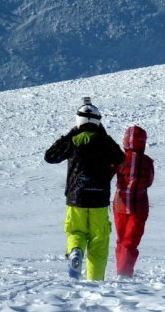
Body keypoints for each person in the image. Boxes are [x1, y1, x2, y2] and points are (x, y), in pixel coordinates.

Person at [43, 97, 124, 280]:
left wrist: (71, 133)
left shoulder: (73, 141)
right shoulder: (104, 142)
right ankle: (95, 281)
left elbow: (50, 156)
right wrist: (104, 134)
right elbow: (120, 158)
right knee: (99, 240)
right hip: (99, 199)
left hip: (75, 198)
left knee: (76, 232)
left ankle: (75, 251)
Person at [114, 125, 155, 279]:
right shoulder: (147, 162)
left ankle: (121, 269)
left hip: (120, 204)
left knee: (122, 239)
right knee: (131, 241)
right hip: (139, 206)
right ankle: (124, 273)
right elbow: (150, 181)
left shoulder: (119, 158)